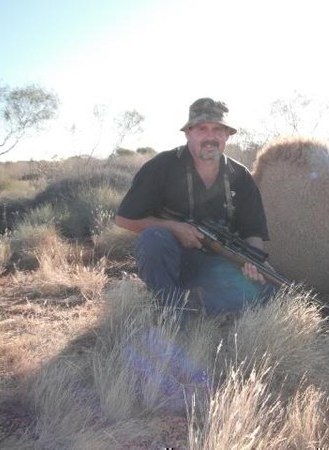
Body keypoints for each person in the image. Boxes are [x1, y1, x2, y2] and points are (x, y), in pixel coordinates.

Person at [115, 97, 274, 316]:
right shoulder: (161, 166)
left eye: (218, 129)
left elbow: (253, 231)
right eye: (202, 129)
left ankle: (191, 303)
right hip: (173, 259)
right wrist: (174, 228)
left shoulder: (241, 176)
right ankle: (172, 312)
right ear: (188, 133)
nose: (210, 137)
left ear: (228, 135)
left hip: (219, 262)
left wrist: (253, 263)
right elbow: (123, 219)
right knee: (153, 239)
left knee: (269, 291)